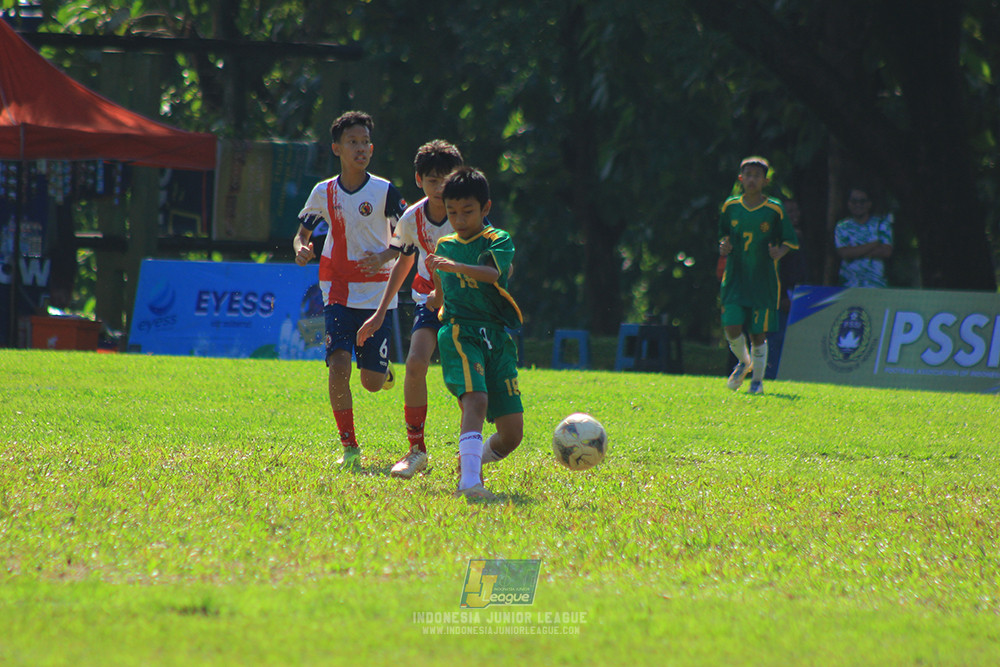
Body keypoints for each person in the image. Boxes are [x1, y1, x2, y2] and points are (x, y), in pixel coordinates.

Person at [292, 110, 407, 471]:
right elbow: (302, 233)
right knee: (338, 365)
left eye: (365, 143)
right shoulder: (323, 192)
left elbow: (406, 238)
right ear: (337, 148)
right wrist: (301, 248)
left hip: (377, 294)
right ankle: (350, 447)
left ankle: (382, 371)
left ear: (371, 149)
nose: (360, 148)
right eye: (352, 142)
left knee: (371, 382)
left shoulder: (385, 191)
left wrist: (385, 255)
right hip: (337, 289)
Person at [356, 139, 464, 479]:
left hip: (466, 303)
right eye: (432, 180)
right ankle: (416, 450)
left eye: (446, 179)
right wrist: (379, 313)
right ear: (419, 180)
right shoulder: (412, 217)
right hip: (427, 301)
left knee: (466, 376)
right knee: (416, 364)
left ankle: (469, 453)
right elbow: (403, 263)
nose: (440, 187)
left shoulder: (466, 214)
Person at [426, 167, 523, 500]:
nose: (459, 219)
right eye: (451, 212)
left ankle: (469, 460)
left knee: (511, 435)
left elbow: (492, 273)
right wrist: (435, 299)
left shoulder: (498, 240)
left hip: (496, 338)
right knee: (476, 399)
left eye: (467, 211)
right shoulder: (444, 246)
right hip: (460, 332)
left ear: (486, 208)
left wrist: (456, 267)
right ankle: (469, 483)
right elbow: (441, 286)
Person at [718, 156, 799, 394]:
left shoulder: (774, 208)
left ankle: (757, 382)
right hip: (735, 279)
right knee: (731, 325)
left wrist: (779, 252)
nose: (752, 180)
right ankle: (744, 362)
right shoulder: (730, 206)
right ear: (740, 179)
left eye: (757, 176)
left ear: (765, 181)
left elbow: (789, 240)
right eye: (748, 175)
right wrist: (723, 246)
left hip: (763, 281)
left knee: (757, 333)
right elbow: (723, 236)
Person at [766, 198, 808, 380]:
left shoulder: (797, 236)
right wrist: (782, 295)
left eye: (796, 210)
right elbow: (776, 270)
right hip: (780, 296)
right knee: (776, 338)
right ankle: (770, 376)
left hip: (796, 294)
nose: (794, 215)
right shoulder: (777, 239)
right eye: (789, 211)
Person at [834, 187, 893, 287]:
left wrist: (854, 251)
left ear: (869, 204)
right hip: (849, 283)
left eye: (862, 201)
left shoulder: (881, 224)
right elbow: (844, 253)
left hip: (877, 283)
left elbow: (886, 252)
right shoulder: (842, 226)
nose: (858, 205)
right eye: (854, 201)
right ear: (848, 203)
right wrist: (874, 244)